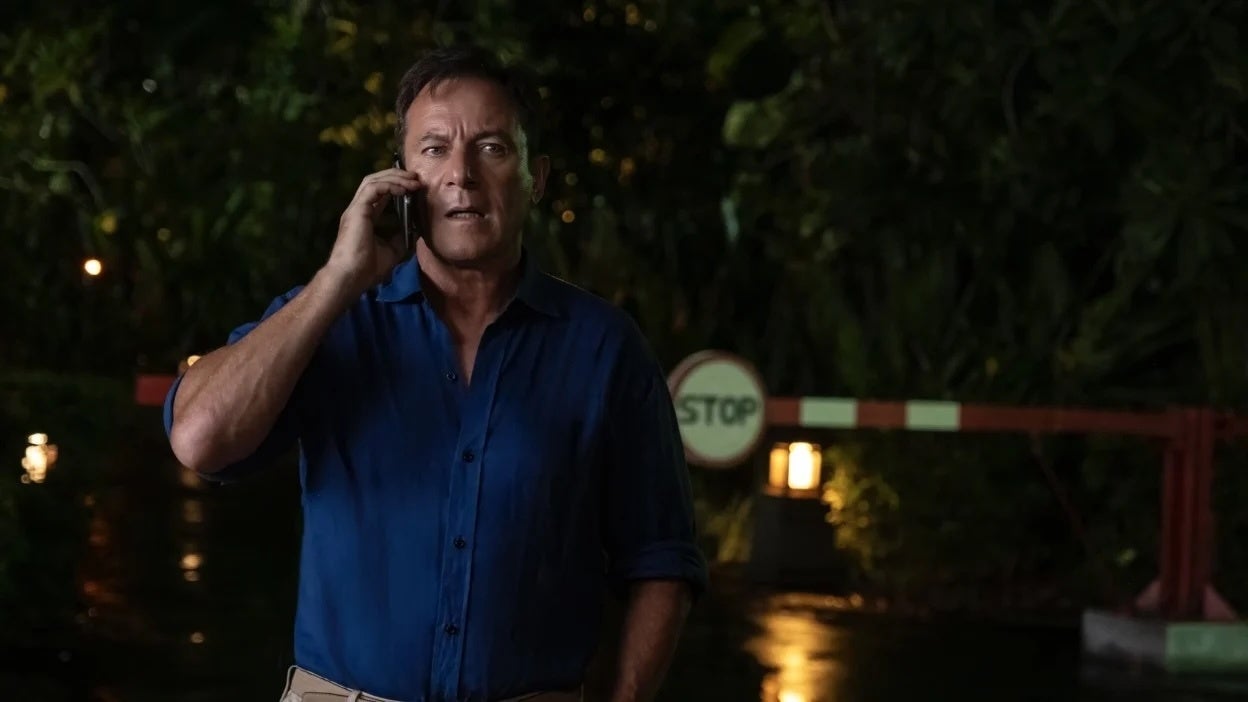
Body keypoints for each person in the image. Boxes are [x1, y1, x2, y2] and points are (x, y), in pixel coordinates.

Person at [163, 44, 707, 702]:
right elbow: (200, 440)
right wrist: (338, 279)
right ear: (400, 179)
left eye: (492, 148)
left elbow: (661, 560)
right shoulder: (335, 321)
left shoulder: (604, 348)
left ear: (536, 178)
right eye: (435, 149)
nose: (462, 175)